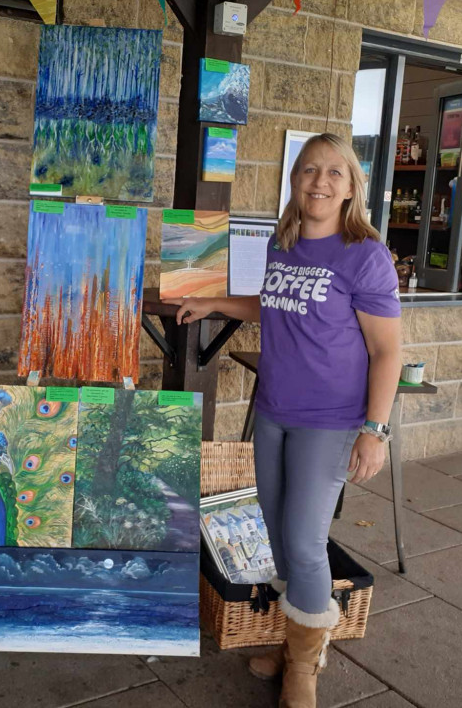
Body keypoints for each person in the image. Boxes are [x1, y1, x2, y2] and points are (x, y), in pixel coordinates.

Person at [170, 133, 401, 708]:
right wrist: (218, 302)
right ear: (295, 180)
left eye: (333, 173)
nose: (319, 182)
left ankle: (304, 666)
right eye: (309, 170)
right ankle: (292, 636)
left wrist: (375, 431)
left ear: (351, 186)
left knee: (303, 542)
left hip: (330, 422)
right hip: (273, 411)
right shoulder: (285, 241)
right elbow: (272, 303)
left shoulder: (364, 254)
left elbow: (387, 351)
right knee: (278, 539)